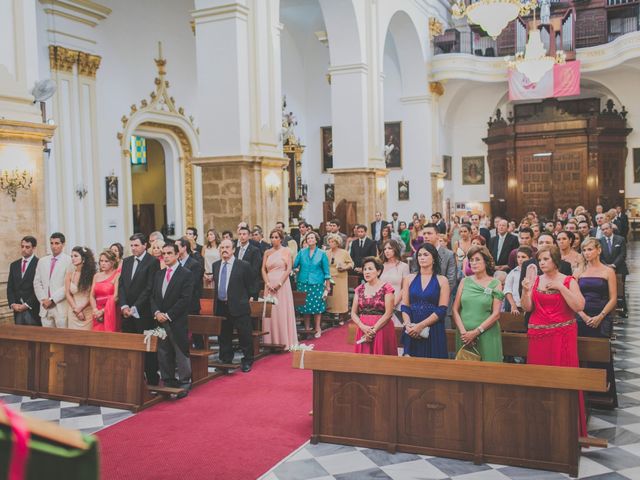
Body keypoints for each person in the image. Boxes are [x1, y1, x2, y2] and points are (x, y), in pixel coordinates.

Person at [521, 245, 587, 436]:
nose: (541, 263)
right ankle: (539, 427)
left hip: (562, 336)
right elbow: (527, 307)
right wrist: (526, 292)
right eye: (540, 260)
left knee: (563, 378)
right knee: (538, 379)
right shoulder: (535, 281)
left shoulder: (568, 280)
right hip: (538, 338)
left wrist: (560, 287)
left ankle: (565, 428)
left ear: (555, 260)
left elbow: (579, 305)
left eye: (546, 259)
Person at [576, 237, 618, 407]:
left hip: (601, 315)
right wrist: (583, 315)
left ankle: (603, 393)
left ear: (598, 250)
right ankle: (583, 391)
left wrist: (600, 316)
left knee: (600, 352)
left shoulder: (608, 271)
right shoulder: (578, 272)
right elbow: (573, 298)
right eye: (584, 250)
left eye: (590, 249)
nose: (587, 253)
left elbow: (613, 298)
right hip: (581, 315)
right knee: (582, 352)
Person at [151, 243, 194, 394]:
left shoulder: (185, 274)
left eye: (170, 253)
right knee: (163, 351)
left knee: (180, 350)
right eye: (164, 254)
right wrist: (156, 312)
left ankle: (184, 380)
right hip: (159, 319)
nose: (166, 256)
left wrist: (168, 315)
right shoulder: (159, 274)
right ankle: (168, 379)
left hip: (176, 320)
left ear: (177, 255)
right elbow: (153, 296)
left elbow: (185, 299)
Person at [119, 233, 161, 385]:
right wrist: (124, 306)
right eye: (131, 245)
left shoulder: (152, 262)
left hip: (143, 313)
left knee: (147, 347)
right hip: (126, 313)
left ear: (145, 245)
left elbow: (149, 288)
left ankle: (152, 379)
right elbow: (122, 284)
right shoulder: (127, 261)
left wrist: (135, 307)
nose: (133, 248)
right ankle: (134, 379)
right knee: (130, 347)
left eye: (136, 245)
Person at [452, 245, 504, 362]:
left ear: (486, 262)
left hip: (486, 334)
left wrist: (476, 332)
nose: (474, 263)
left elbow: (496, 314)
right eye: (471, 260)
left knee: (488, 372)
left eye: (477, 259)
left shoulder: (496, 283)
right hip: (464, 335)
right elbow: (455, 309)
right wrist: (464, 333)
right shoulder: (464, 281)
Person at [212, 239, 255, 372]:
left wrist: (244, 299)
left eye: (227, 247)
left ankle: (247, 360)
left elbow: (251, 286)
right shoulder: (216, 265)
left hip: (239, 306)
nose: (224, 249)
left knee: (244, 335)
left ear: (233, 249)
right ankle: (225, 360)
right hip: (221, 306)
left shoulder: (243, 265)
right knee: (224, 336)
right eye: (222, 247)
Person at [400, 243, 449, 358]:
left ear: (434, 259)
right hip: (412, 326)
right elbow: (405, 306)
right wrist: (408, 326)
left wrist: (421, 326)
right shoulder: (409, 278)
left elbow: (442, 310)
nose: (422, 257)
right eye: (419, 255)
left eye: (426, 255)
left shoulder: (442, 280)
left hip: (433, 328)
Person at [351, 257, 396, 355]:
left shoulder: (387, 288)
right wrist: (362, 326)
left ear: (378, 271)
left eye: (370, 269)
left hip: (381, 328)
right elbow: (353, 313)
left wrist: (373, 330)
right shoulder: (359, 289)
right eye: (365, 269)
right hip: (363, 329)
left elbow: (389, 313)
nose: (366, 272)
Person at [261, 229, 298, 348]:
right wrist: (267, 283)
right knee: (270, 312)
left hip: (282, 284)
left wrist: (279, 284)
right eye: (272, 237)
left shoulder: (286, 251)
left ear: (281, 239)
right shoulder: (267, 252)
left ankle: (284, 340)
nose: (273, 239)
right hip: (269, 284)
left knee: (281, 311)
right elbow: (263, 269)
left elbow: (288, 269)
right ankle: (270, 341)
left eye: (276, 237)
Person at [294, 231, 331, 338]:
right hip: (303, 282)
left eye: (312, 238)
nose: (310, 240)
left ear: (316, 240)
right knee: (305, 307)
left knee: (317, 307)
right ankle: (306, 328)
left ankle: (317, 327)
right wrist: (294, 268)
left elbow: (326, 272)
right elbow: (294, 265)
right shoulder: (301, 252)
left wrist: (327, 286)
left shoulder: (322, 253)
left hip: (317, 283)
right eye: (308, 238)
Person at [33, 232, 72, 328]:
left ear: (63, 244)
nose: (53, 246)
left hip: (60, 307)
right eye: (51, 243)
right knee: (47, 339)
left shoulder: (69, 261)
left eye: (57, 243)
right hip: (44, 308)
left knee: (62, 339)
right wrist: (43, 299)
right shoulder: (42, 261)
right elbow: (37, 282)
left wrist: (52, 299)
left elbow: (67, 285)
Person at [176, 237, 204, 346]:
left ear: (184, 247)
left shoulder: (194, 264)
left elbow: (193, 283)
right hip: (177, 303)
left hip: (190, 303)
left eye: (177, 246)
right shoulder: (176, 262)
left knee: (196, 332)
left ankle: (200, 351)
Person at [7, 236, 40, 325]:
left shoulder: (39, 263)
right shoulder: (14, 265)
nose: (24, 249)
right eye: (22, 246)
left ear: (34, 248)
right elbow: (10, 287)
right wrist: (13, 303)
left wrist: (26, 305)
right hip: (17, 309)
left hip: (33, 309)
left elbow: (40, 288)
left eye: (27, 247)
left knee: (34, 336)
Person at [600, 221, 628, 318]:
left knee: (621, 290)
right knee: (608, 290)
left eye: (607, 228)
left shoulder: (620, 239)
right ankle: (610, 310)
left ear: (611, 229)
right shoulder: (600, 241)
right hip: (605, 269)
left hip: (619, 268)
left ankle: (623, 310)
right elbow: (600, 256)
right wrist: (606, 266)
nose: (605, 231)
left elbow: (622, 254)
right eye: (603, 229)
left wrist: (614, 265)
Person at [379, 239, 410, 326]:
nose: (387, 251)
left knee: (396, 330)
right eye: (385, 249)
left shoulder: (404, 266)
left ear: (395, 249)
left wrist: (393, 303)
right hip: (382, 303)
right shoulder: (381, 266)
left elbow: (404, 288)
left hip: (397, 303)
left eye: (389, 248)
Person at [325, 233, 354, 323]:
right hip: (329, 277)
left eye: (333, 241)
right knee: (331, 298)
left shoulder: (344, 252)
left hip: (340, 277)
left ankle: (341, 316)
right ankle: (331, 316)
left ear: (337, 243)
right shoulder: (326, 253)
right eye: (329, 241)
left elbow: (351, 263)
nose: (331, 243)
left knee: (340, 298)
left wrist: (345, 267)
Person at [65, 246, 96, 330]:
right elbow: (68, 294)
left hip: (88, 311)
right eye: (71, 256)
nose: (73, 258)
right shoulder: (69, 274)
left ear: (84, 258)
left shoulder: (93, 275)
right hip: (73, 311)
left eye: (76, 256)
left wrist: (81, 308)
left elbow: (93, 295)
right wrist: (76, 309)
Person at [90, 250, 120, 332]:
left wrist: (103, 311)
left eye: (106, 261)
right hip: (97, 312)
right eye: (101, 261)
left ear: (113, 262)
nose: (103, 263)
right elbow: (92, 295)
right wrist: (95, 310)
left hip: (111, 311)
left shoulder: (117, 275)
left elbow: (116, 296)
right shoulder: (96, 276)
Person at [235, 225, 262, 300]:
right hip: (238, 285)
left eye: (244, 234)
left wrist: (243, 277)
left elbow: (255, 269)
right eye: (240, 234)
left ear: (249, 236)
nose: (242, 236)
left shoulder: (254, 250)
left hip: (250, 285)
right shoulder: (236, 250)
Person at [504, 246, 532, 313]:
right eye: (518, 257)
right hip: (517, 308)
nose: (520, 259)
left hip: (532, 307)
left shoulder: (534, 271)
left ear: (530, 258)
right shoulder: (513, 272)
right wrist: (513, 305)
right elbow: (507, 290)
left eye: (523, 257)